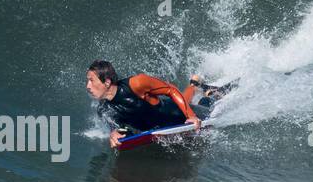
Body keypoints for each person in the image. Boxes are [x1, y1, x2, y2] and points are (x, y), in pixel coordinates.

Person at [86, 60, 229, 149]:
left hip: (176, 114)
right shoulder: (103, 110)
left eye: (91, 80)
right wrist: (114, 134)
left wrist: (191, 116)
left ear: (107, 82)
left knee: (207, 107)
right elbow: (117, 129)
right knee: (184, 100)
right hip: (161, 123)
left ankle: (209, 94)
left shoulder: (136, 83)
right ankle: (194, 84)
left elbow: (171, 89)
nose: (88, 86)